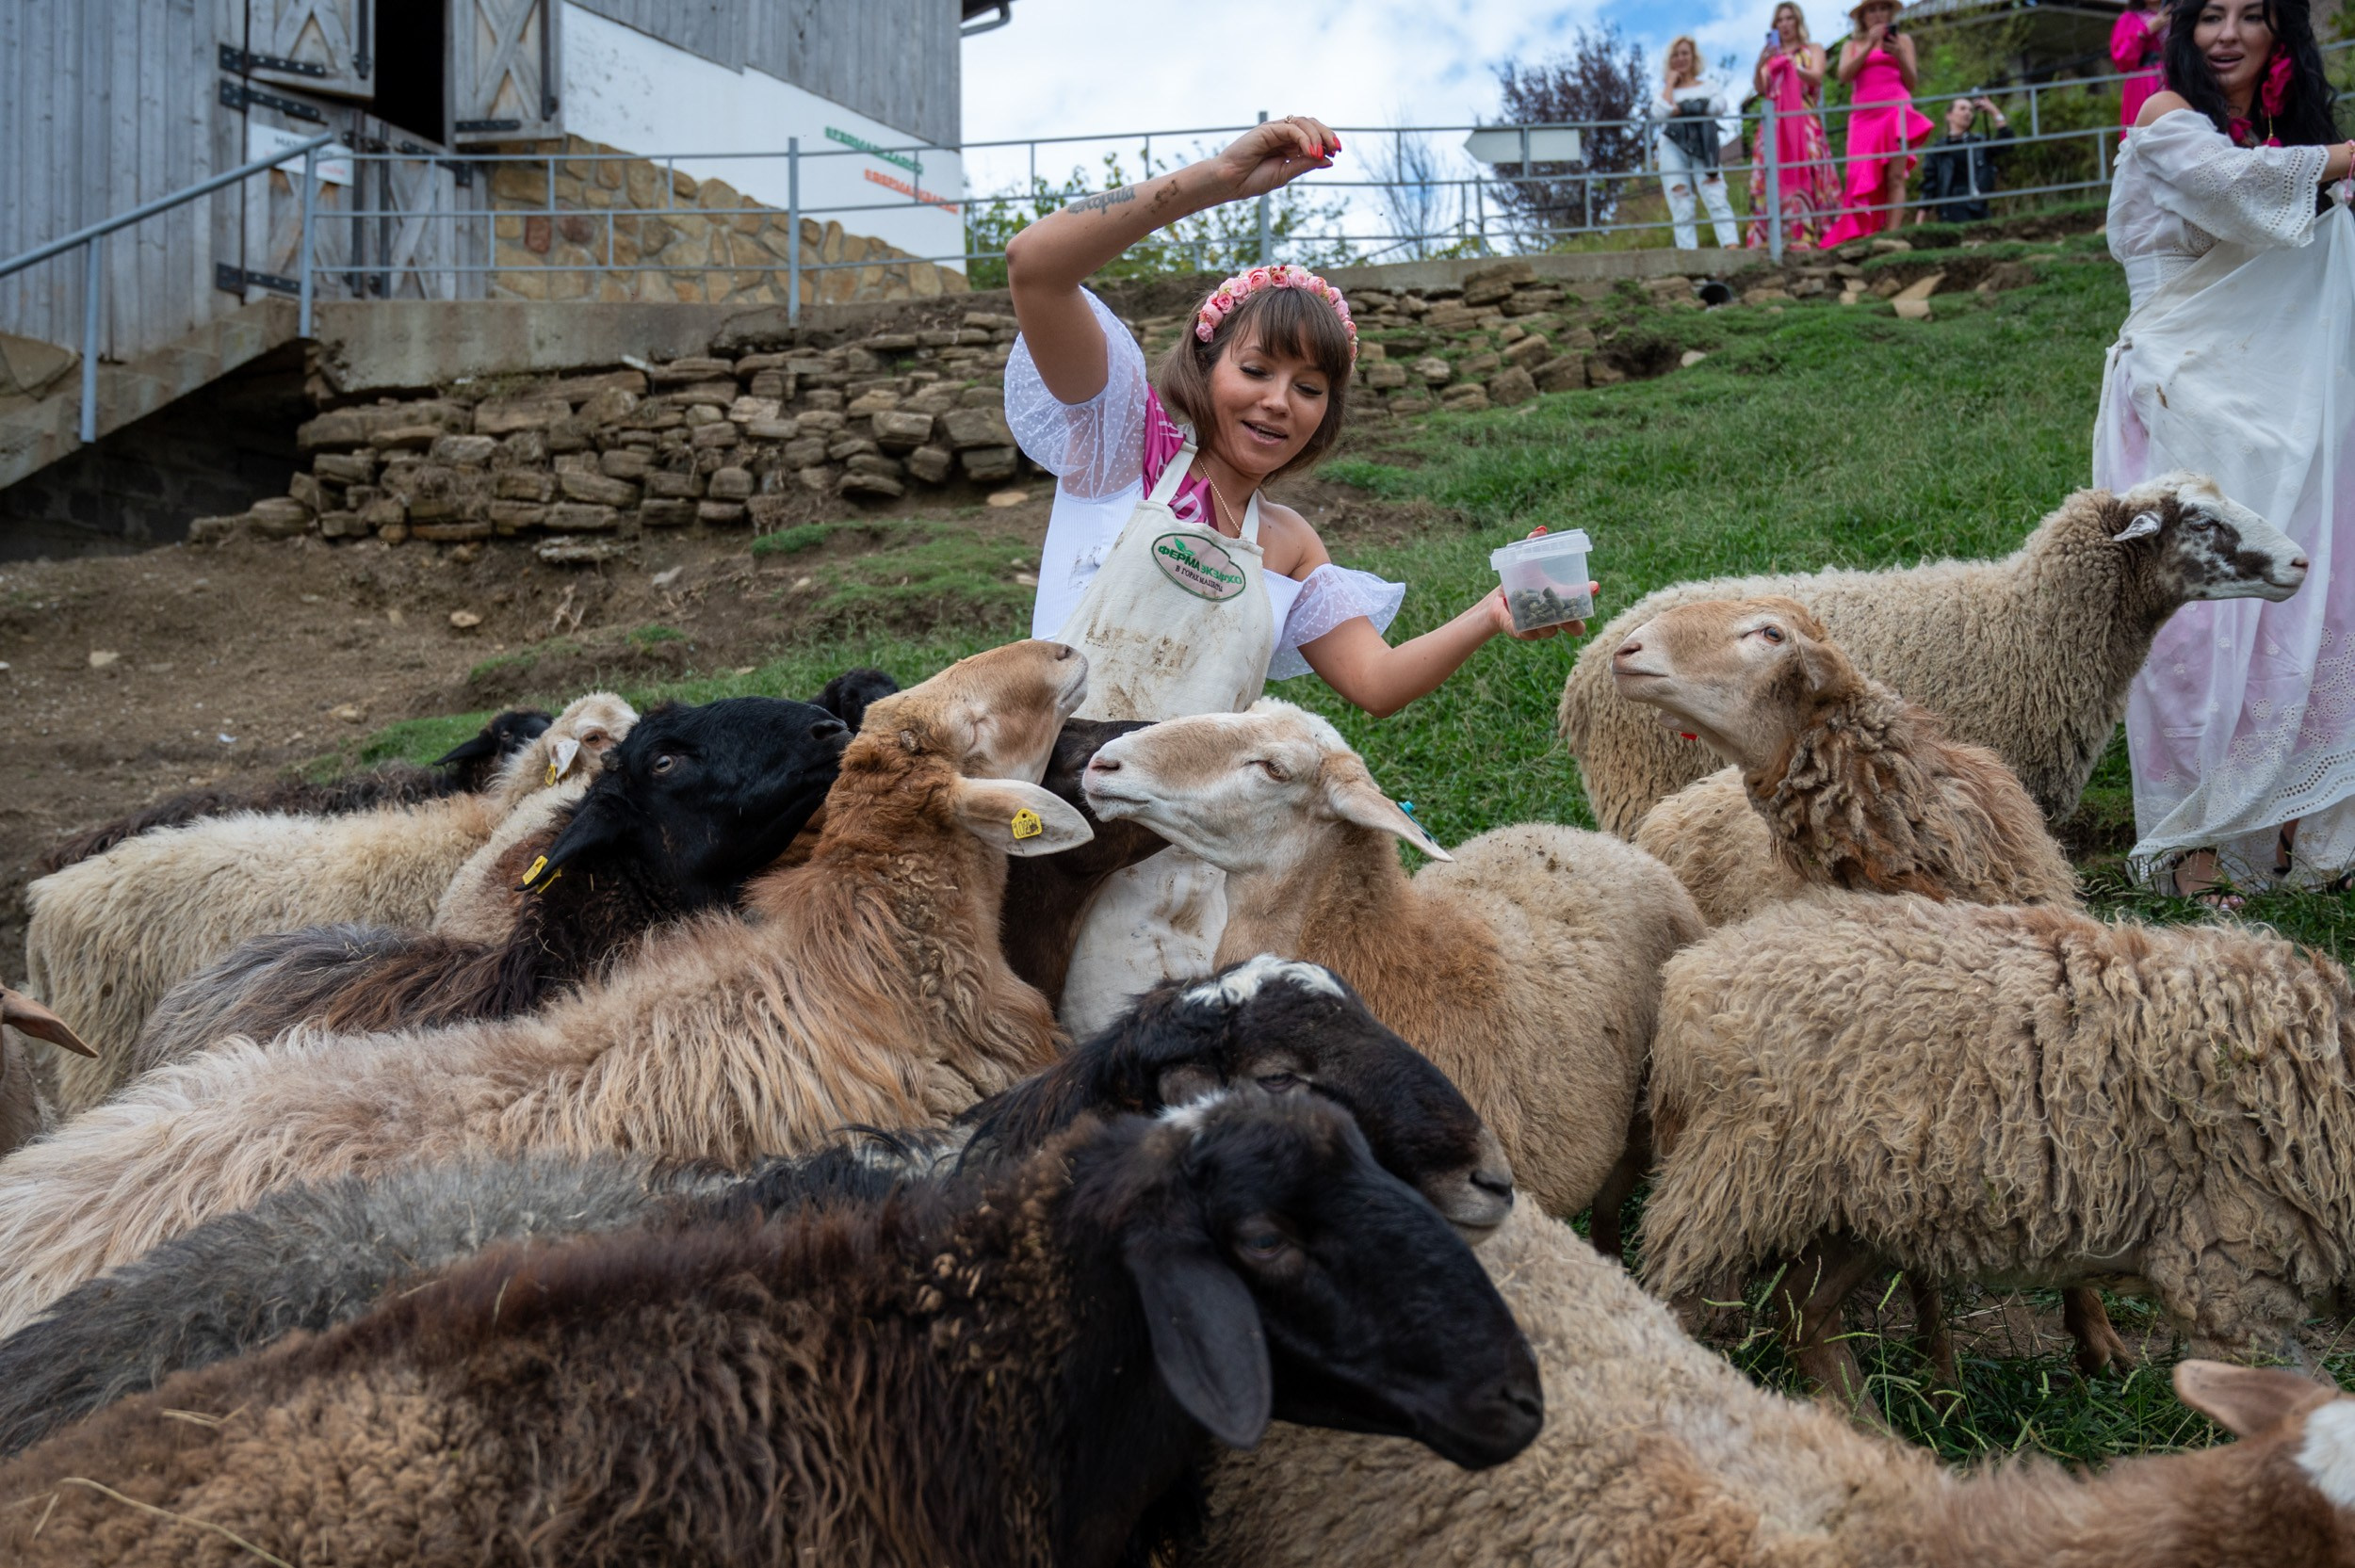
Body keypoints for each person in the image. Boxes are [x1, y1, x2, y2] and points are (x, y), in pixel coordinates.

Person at [1001, 114, 1589, 1029]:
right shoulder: (1124, 444)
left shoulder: (1288, 543)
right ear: (1206, 361)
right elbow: (1037, 263)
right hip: (1045, 825)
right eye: (1258, 368)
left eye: (1310, 387)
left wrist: (1490, 616)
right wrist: (1216, 180)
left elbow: (1374, 682)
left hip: (1181, 871)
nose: (1280, 401)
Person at [2094, 0, 2355, 897]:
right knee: (2196, 626)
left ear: (2284, 35)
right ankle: (2198, 850)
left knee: (2296, 601)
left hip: (2275, 412)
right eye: (2210, 15)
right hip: (2179, 397)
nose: (2228, 34)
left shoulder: (2287, 143)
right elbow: (2230, 186)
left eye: (2253, 15)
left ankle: (2289, 832)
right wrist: (2346, 161)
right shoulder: (2168, 120)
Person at [1820, 0, 1933, 245]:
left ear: (1890, 12)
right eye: (1871, 10)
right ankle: (1864, 233)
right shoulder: (1851, 45)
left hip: (1896, 111)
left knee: (1895, 176)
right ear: (1863, 16)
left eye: (1882, 8)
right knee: (1858, 175)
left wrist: (1899, 55)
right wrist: (1870, 44)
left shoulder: (1903, 40)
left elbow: (1912, 82)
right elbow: (1843, 76)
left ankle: (1891, 235)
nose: (1878, 14)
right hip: (1864, 117)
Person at [1746, 2, 1842, 250]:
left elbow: (1817, 75)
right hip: (1774, 124)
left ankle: (1809, 232)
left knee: (1807, 170)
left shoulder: (1813, 49)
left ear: (1797, 21)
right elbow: (1760, 87)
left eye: (1789, 18)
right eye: (1780, 20)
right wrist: (1761, 63)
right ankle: (1773, 236)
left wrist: (1793, 68)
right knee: (1771, 175)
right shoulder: (1771, 57)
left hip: (1803, 117)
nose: (1785, 24)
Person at [1650, 36, 1742, 249]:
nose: (1680, 59)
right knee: (1680, 198)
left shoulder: (1709, 85)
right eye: (1675, 55)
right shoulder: (1664, 91)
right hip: (1672, 146)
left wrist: (1680, 109)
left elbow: (1718, 106)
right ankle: (1687, 253)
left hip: (1704, 144)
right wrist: (1670, 84)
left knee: (1715, 191)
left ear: (1693, 57)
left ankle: (1731, 246)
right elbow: (1660, 112)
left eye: (1685, 53)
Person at [1914, 95, 2013, 223]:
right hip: (1952, 207)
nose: (1967, 113)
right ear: (1949, 115)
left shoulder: (1979, 143)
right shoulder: (1938, 149)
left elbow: (2007, 144)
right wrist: (1920, 218)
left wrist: (1993, 110)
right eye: (1962, 108)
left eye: (1971, 110)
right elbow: (1929, 184)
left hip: (1979, 205)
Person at [2110, 0, 2169, 134]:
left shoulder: (2178, 14)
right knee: (2143, 132)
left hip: (2177, 78)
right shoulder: (2129, 19)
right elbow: (2121, 58)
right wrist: (2146, 32)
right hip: (2143, 82)